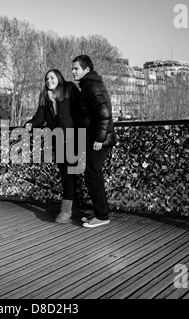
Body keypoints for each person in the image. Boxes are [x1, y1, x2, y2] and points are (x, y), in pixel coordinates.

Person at [25, 69, 81, 223]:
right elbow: (39, 117)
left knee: (73, 173)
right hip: (57, 139)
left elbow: (79, 112)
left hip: (73, 137)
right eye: (46, 79)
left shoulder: (69, 90)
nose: (49, 81)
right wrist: (30, 124)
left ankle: (66, 210)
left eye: (52, 77)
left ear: (59, 78)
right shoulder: (45, 96)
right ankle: (73, 208)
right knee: (66, 174)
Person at [71, 55, 116, 228]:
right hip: (95, 138)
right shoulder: (90, 84)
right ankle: (100, 212)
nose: (73, 71)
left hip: (98, 141)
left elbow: (104, 112)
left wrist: (99, 138)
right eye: (73, 69)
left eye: (76, 69)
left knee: (92, 176)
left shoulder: (90, 86)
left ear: (86, 70)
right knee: (92, 175)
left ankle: (102, 216)